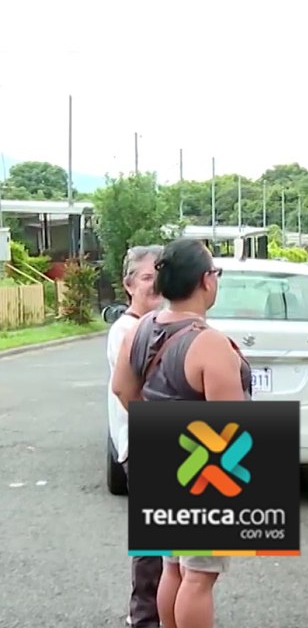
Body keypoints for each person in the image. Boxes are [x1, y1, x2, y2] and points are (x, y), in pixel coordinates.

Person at [110, 239, 251, 628]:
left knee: (172, 566)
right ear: (207, 280)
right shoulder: (209, 343)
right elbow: (231, 428)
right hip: (202, 471)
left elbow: (122, 389)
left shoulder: (139, 329)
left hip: (159, 460)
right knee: (199, 576)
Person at [106, 245, 164, 628]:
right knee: (154, 539)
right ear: (129, 285)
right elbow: (130, 391)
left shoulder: (157, 324)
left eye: (160, 277)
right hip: (144, 444)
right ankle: (144, 616)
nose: (154, 285)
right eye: (146, 278)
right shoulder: (127, 330)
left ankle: (161, 612)